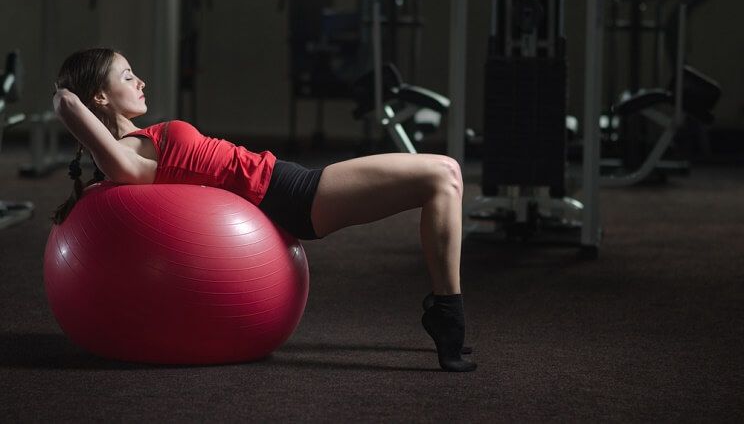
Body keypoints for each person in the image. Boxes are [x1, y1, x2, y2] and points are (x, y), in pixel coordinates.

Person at [51, 47, 476, 372]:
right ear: (101, 97)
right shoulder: (128, 153)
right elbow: (118, 166)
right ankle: (447, 313)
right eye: (127, 76)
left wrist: (77, 107)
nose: (140, 81)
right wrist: (67, 106)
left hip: (285, 181)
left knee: (443, 175)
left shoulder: (138, 140)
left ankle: (446, 312)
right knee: (443, 174)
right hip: (288, 194)